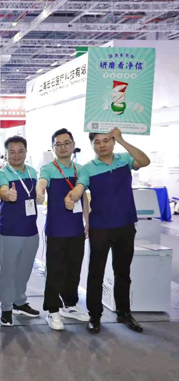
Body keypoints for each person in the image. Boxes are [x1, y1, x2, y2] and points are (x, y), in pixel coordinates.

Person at [66, 128, 150, 334]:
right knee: (96, 273)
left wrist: (121, 139)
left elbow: (145, 161)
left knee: (123, 272)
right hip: (100, 228)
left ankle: (124, 312)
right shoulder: (88, 168)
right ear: (92, 145)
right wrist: (72, 196)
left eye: (106, 140)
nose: (102, 145)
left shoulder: (124, 160)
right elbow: (80, 187)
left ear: (112, 141)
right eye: (97, 142)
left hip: (125, 225)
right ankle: (94, 316)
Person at [36, 129, 90, 331]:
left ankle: (70, 305)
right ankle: (52, 310)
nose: (63, 147)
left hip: (76, 229)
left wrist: (87, 222)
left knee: (74, 270)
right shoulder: (49, 168)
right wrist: (40, 189)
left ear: (73, 145)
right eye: (58, 144)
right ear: (53, 148)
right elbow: (42, 182)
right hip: (56, 229)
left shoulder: (81, 170)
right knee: (55, 271)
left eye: (66, 143)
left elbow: (84, 198)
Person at [0, 136, 40, 326]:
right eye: (12, 152)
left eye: (20, 151)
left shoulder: (32, 172)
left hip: (31, 230)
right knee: (8, 271)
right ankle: (6, 307)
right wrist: (8, 194)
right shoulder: (3, 173)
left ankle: (19, 301)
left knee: (24, 269)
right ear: (6, 154)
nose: (16, 155)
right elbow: (2, 190)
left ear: (26, 152)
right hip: (11, 231)